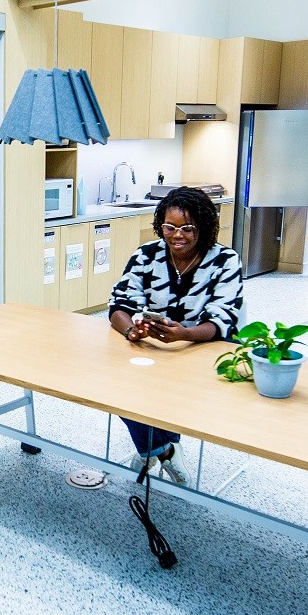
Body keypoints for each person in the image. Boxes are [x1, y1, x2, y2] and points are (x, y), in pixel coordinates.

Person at [106, 185, 244, 486]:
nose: (177, 235)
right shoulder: (147, 255)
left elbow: (222, 320)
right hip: (155, 346)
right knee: (115, 387)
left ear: (204, 228)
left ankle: (152, 448)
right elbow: (119, 304)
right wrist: (131, 329)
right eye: (169, 227)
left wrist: (185, 334)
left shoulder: (225, 260)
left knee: (178, 391)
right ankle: (163, 448)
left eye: (187, 228)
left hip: (206, 347)